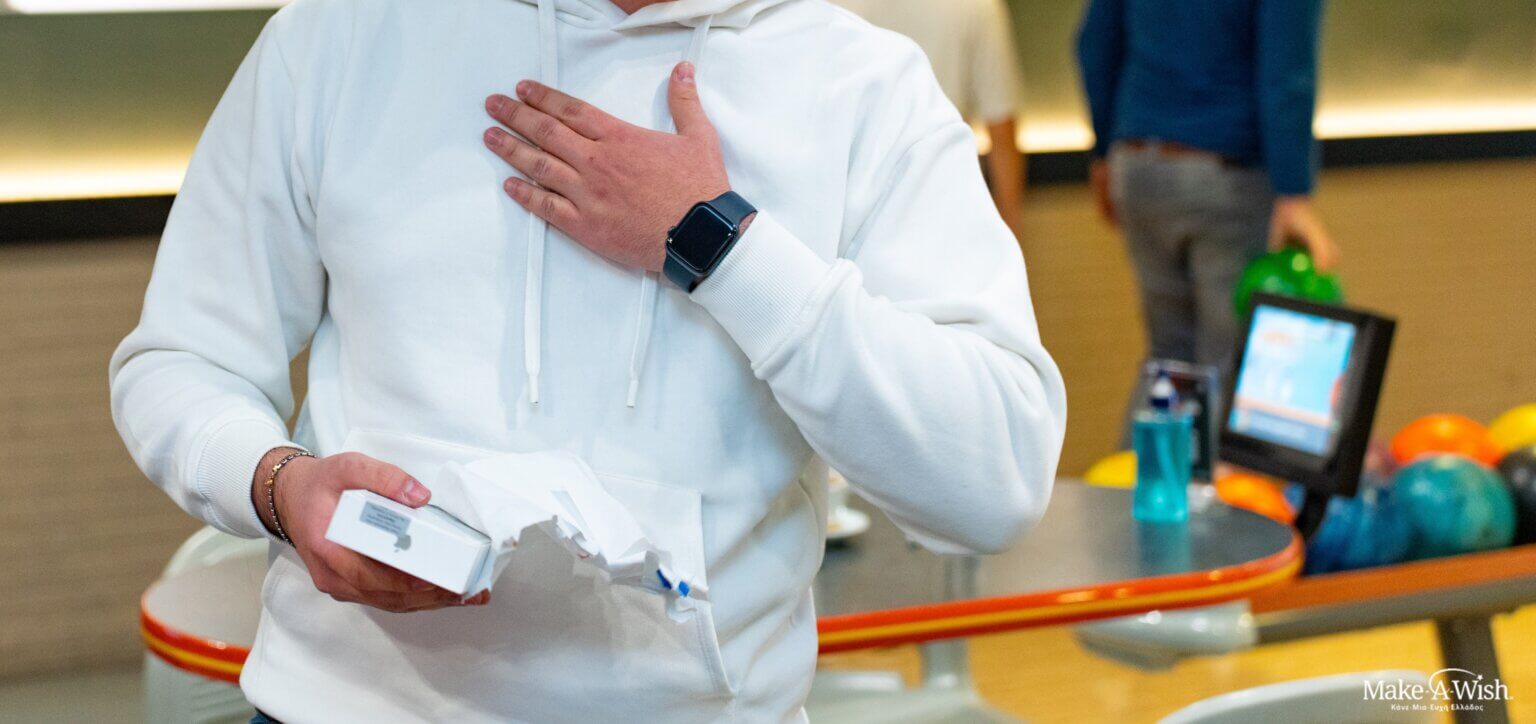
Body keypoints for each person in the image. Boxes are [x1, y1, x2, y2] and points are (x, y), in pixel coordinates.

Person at [108, 0, 1067, 720]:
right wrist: (279, 485)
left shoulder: (863, 85)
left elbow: (991, 479)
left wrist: (719, 244)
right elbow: (180, 360)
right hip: (341, 705)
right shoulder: (339, 36)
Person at [1076, 0, 1339, 379]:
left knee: (1170, 362)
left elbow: (1095, 43)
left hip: (1138, 165)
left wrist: (1105, 154)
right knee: (1228, 364)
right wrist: (1294, 192)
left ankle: (1162, 419)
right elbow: (1286, 72)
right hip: (1226, 173)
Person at [835, 0, 1028, 239]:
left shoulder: (826, 8)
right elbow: (1001, 130)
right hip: (946, 209)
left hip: (851, 216)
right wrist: (1010, 238)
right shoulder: (977, 6)